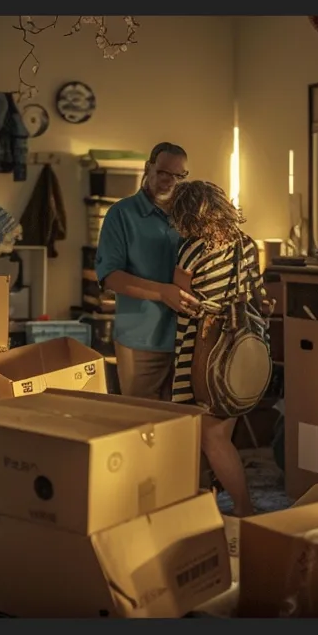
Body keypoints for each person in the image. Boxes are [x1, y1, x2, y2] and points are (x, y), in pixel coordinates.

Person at [165, 180, 267, 517]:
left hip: (204, 348)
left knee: (211, 438)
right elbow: (257, 296)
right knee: (224, 428)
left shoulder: (192, 249)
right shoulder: (247, 245)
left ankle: (243, 508)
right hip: (239, 345)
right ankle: (214, 502)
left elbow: (181, 302)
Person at [93, 142, 199, 401]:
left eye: (178, 175)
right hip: (141, 339)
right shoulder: (121, 214)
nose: (170, 181)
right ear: (148, 168)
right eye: (163, 172)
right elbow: (111, 277)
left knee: (181, 424)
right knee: (142, 422)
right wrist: (163, 293)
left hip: (187, 340)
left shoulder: (190, 216)